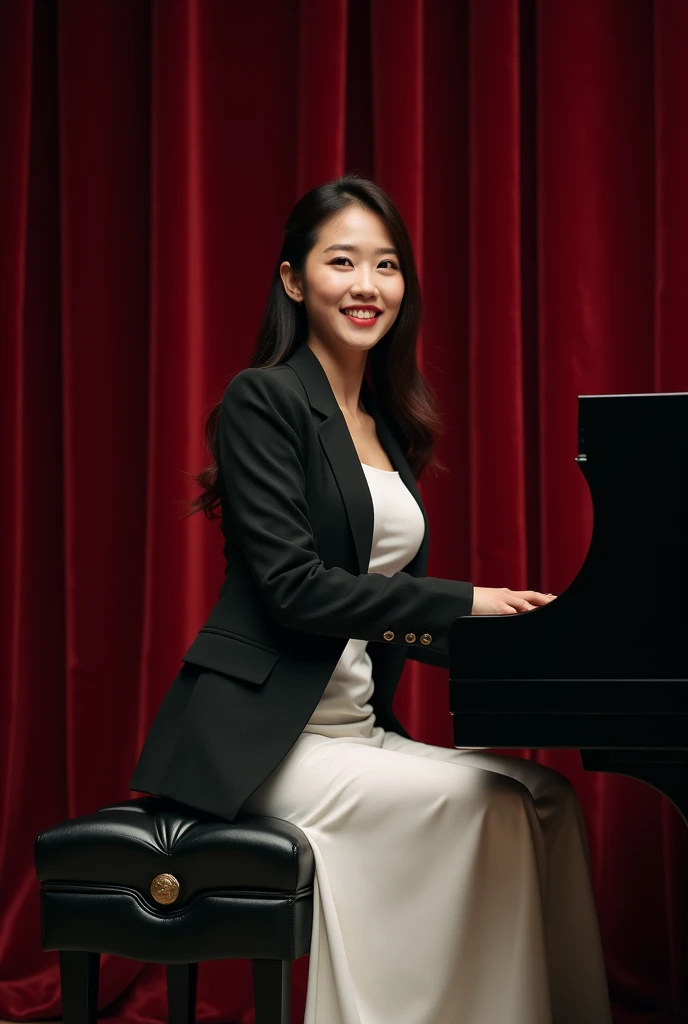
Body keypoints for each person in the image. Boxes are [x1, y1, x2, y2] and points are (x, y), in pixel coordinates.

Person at [130, 175, 612, 1024]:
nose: (367, 285)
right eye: (341, 261)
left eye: (385, 265)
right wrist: (465, 600)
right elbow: (293, 590)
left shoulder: (385, 425)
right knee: (491, 810)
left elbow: (382, 598)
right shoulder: (264, 399)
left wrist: (528, 635)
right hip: (270, 745)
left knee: (548, 801)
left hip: (356, 730)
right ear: (292, 280)